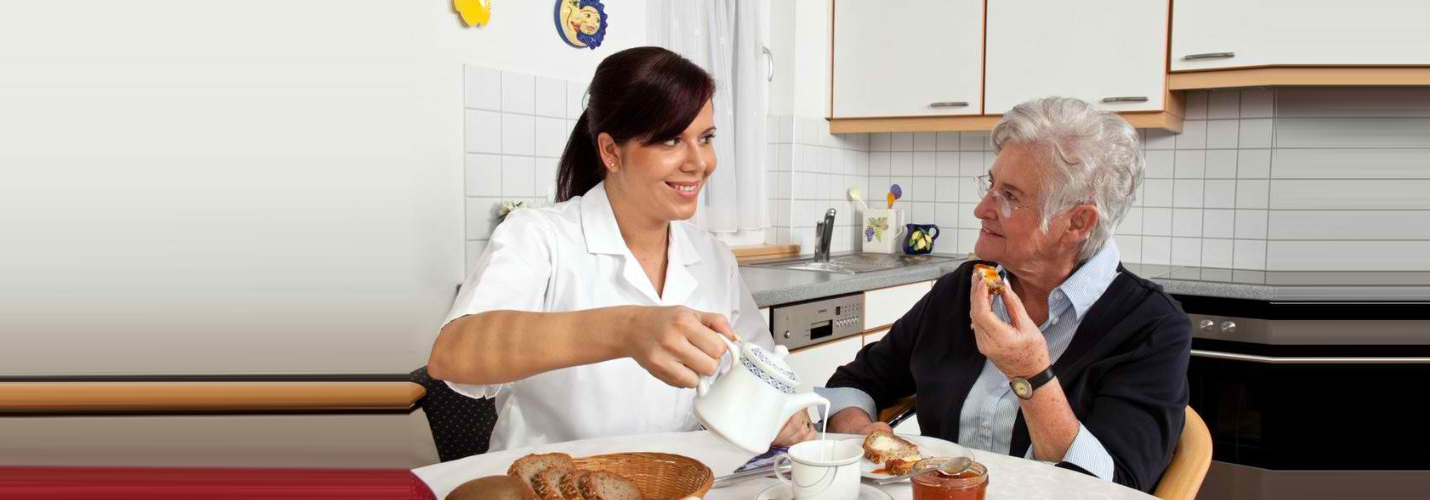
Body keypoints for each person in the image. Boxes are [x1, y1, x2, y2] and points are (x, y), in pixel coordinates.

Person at [427, 47, 815, 453]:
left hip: (676, 481)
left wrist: (783, 412)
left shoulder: (714, 258)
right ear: (611, 151)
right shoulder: (540, 237)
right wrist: (628, 330)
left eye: (705, 138)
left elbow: (762, 368)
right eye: (671, 140)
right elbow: (453, 353)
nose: (699, 162)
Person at [818, 97, 1193, 491]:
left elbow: (1117, 487)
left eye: (1010, 196)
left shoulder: (1152, 327)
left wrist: (1029, 372)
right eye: (991, 185)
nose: (982, 208)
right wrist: (867, 439)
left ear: (1077, 222)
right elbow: (852, 383)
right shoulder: (962, 289)